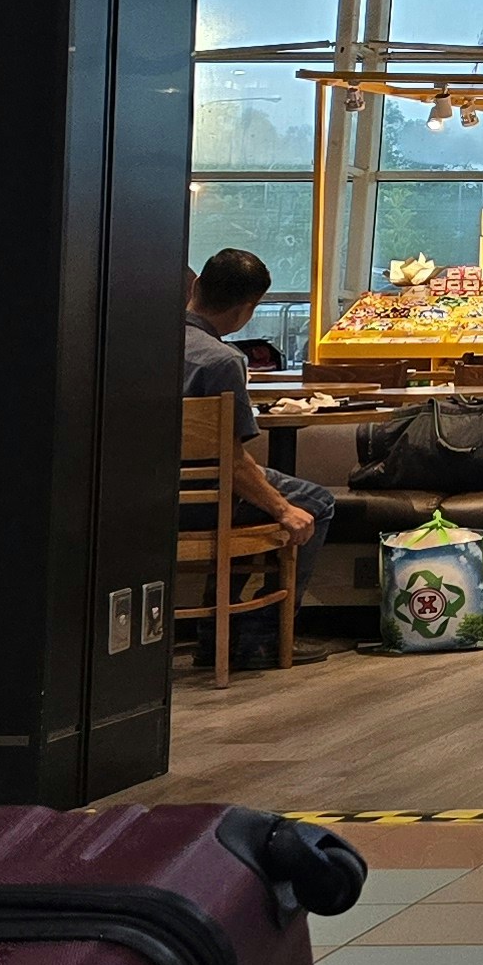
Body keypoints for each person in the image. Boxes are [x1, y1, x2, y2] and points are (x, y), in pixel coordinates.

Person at [184, 249, 331, 661]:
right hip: (207, 501)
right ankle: (260, 635)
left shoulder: (141, 345)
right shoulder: (224, 360)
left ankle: (216, 635)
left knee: (255, 495)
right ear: (247, 309)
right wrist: (284, 510)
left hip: (142, 497)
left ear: (197, 286)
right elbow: (231, 463)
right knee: (315, 502)